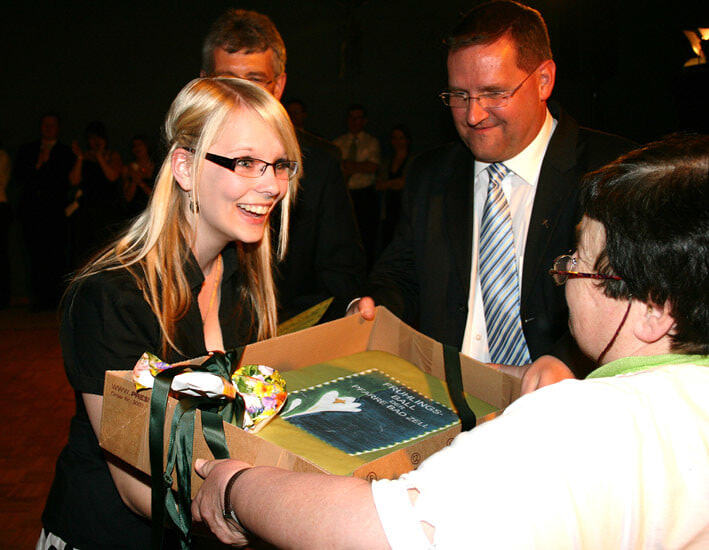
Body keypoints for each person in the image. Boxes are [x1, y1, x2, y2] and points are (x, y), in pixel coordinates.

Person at [193, 133, 709, 549]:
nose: (564, 276)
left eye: (580, 263)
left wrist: (236, 486)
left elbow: (378, 531)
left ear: (654, 310)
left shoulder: (571, 426)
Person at [38, 77, 301, 549]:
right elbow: (138, 487)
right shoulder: (112, 296)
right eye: (245, 162)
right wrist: (268, 509)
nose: (271, 185)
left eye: (280, 165)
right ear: (184, 167)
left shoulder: (245, 283)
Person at [350, 0, 635, 378]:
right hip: (447, 390)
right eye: (459, 95)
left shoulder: (614, 173)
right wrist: (372, 306)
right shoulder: (430, 174)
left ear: (544, 80)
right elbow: (402, 274)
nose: (473, 115)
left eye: (494, 93)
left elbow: (633, 304)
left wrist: (565, 363)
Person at [202, 9, 366, 323]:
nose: (241, 96)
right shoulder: (185, 157)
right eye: (226, 82)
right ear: (204, 85)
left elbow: (342, 273)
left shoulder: (318, 164)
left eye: (254, 81)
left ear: (278, 86)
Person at [14, 113, 75, 310]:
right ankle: (38, 298)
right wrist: (38, 164)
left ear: (58, 128)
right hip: (31, 211)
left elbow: (66, 181)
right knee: (34, 255)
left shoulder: (65, 152)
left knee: (55, 255)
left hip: (55, 212)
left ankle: (55, 299)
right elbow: (19, 177)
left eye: (52, 125)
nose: (48, 128)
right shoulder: (28, 150)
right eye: (45, 125)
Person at [68, 121, 124, 267]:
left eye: (98, 138)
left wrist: (100, 157)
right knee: (85, 250)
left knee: (106, 248)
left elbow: (112, 176)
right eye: (92, 138)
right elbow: (74, 180)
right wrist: (80, 158)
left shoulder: (112, 156)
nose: (95, 142)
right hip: (87, 210)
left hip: (108, 211)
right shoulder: (84, 158)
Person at [334, 104, 381, 268]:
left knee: (366, 235)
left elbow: (372, 167)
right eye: (352, 118)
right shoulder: (338, 143)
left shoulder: (371, 142)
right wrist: (359, 166)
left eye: (358, 118)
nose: (355, 122)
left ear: (364, 121)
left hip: (365, 194)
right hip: (345, 194)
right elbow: (336, 169)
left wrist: (348, 165)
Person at [375, 124, 412, 257]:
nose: (397, 142)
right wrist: (392, 184)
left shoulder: (413, 161)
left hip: (404, 210)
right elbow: (378, 185)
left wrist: (388, 184)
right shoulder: (386, 162)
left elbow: (405, 183)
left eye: (401, 138)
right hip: (388, 210)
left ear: (407, 140)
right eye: (394, 138)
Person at [122, 134, 155, 217]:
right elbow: (127, 198)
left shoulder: (157, 167)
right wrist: (134, 181)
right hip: (134, 213)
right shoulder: (128, 169)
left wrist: (141, 183)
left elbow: (156, 196)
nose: (137, 148)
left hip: (153, 211)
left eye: (140, 145)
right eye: (134, 146)